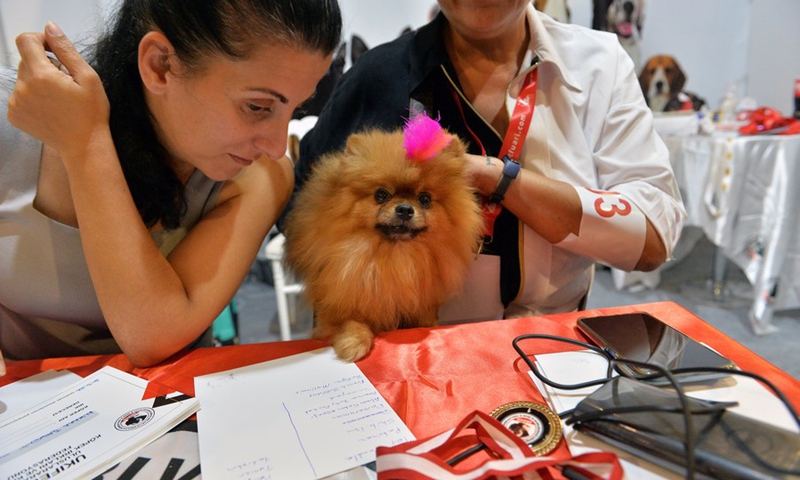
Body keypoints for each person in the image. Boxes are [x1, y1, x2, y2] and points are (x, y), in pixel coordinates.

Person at [282, 0, 686, 324]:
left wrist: (498, 178)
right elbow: (303, 207)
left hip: (556, 345)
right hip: (414, 348)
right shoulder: (378, 76)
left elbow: (651, 240)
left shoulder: (600, 66)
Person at [0, 0, 342, 371]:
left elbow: (150, 335)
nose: (277, 146)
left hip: (177, 412)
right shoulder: (17, 118)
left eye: (297, 109)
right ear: (160, 65)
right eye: (258, 107)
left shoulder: (264, 176)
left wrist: (85, 143)